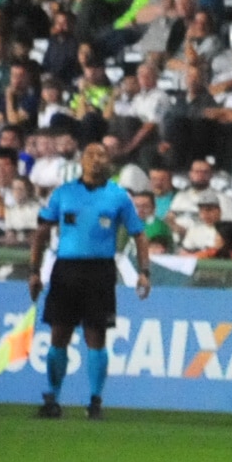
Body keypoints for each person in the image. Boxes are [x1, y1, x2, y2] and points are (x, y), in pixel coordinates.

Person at [26, 140, 150, 420]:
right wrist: (34, 271)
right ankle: (52, 398)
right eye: (91, 154)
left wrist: (144, 271)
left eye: (101, 155)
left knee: (96, 336)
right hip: (66, 269)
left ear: (109, 162)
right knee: (59, 335)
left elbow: (139, 235)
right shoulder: (63, 193)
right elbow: (42, 232)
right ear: (81, 160)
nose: (96, 159)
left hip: (100, 271)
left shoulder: (118, 196)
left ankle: (95, 401)